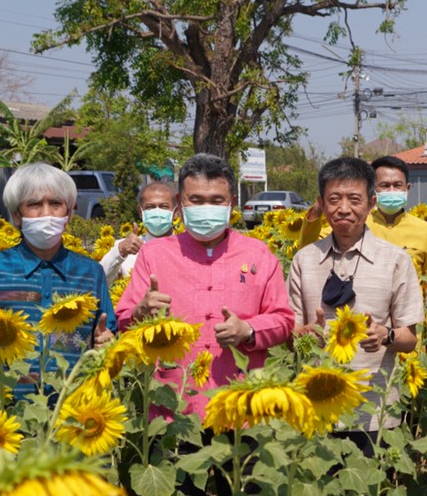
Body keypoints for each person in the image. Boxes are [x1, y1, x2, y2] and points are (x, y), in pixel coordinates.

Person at [116, 154, 295, 419]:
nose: (206, 208)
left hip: (242, 406)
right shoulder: (154, 255)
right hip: (174, 410)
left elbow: (283, 320)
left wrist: (247, 330)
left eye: (216, 200)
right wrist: (141, 312)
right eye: (196, 200)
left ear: (232, 203)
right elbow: (124, 318)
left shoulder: (258, 254)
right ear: (181, 203)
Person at [286, 157, 423, 452]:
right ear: (321, 203)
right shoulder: (304, 260)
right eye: (334, 199)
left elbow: (409, 339)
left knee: (372, 493)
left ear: (371, 202)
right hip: (316, 407)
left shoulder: (395, 260)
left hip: (373, 412)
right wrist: (303, 334)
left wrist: (385, 336)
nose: (344, 208)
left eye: (354, 199)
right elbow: (289, 333)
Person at [0, 163, 115, 392]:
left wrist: (107, 341)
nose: (46, 213)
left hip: (73, 408)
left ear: (69, 213)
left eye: (55, 203)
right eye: (34, 204)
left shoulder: (90, 272)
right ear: (16, 215)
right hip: (6, 410)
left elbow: (107, 333)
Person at [295, 155, 427, 281]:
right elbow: (308, 249)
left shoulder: (426, 231)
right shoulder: (355, 224)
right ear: (372, 191)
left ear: (407, 189)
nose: (392, 191)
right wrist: (318, 210)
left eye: (397, 185)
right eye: (385, 185)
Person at [100, 180, 179, 285]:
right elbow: (97, 281)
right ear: (140, 212)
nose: (157, 212)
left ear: (176, 212)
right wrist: (120, 252)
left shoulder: (186, 249)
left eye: (163, 206)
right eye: (150, 207)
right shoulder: (127, 248)